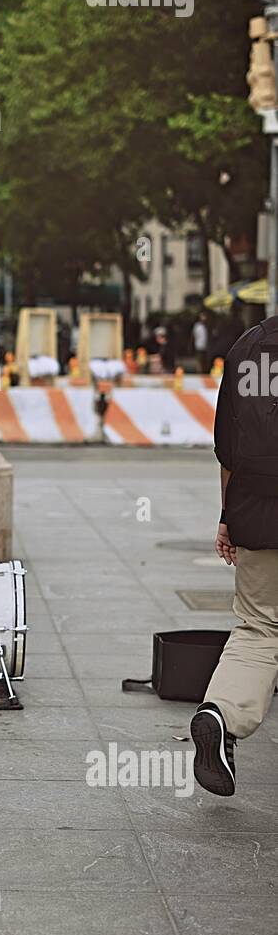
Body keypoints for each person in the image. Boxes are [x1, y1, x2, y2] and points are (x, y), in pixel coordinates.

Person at [191, 313, 278, 795]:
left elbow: (228, 448)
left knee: (260, 627)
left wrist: (229, 515)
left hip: (257, 510)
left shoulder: (249, 347)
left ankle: (220, 712)